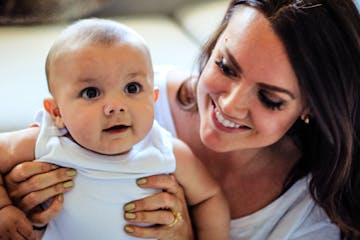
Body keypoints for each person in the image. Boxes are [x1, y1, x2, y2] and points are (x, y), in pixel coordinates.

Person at [1, 0, 360, 239]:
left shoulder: (308, 215)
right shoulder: (123, 91)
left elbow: (209, 199)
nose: (230, 106)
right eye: (225, 66)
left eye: (269, 98)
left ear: (312, 107)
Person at [0, 18, 230, 240]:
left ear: (153, 98)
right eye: (91, 93)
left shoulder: (166, 150)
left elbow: (209, 197)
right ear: (57, 113)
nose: (116, 107)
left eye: (132, 88)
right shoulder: (50, 141)